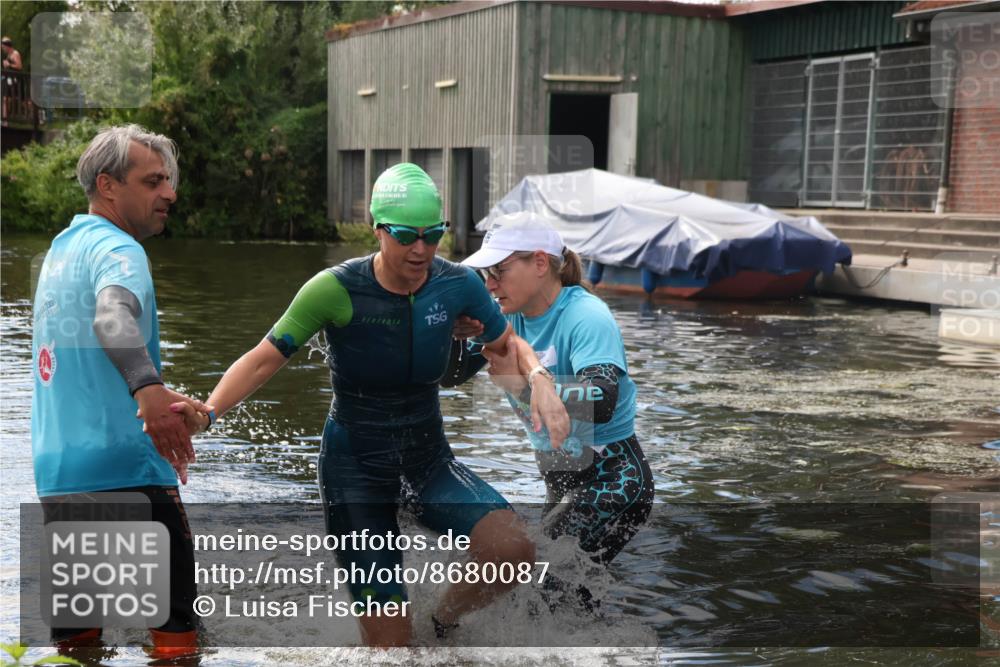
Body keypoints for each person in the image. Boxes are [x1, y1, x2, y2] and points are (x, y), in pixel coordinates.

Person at [174, 163, 570, 647]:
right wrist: (209, 412)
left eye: (434, 234)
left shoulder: (457, 285)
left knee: (512, 550)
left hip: (428, 461)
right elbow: (263, 358)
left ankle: (443, 623)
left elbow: (507, 342)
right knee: (391, 652)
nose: (422, 249)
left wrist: (540, 379)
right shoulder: (335, 289)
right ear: (378, 229)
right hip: (354, 471)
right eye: (406, 236)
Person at [31, 124, 209, 659]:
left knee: (77, 652)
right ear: (108, 186)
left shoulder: (62, 252)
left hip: (62, 479)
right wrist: (150, 389)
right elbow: (113, 319)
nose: (170, 193)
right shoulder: (120, 251)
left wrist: (162, 396)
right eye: (153, 181)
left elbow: (87, 360)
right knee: (176, 650)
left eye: (168, 181)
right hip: (131, 478)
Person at [447, 214, 654, 607]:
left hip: (614, 480)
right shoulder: (503, 317)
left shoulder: (585, 316)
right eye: (486, 273)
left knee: (537, 590)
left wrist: (522, 387)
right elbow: (450, 376)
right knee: (564, 601)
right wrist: (453, 331)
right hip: (560, 481)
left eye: (499, 271)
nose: (489, 284)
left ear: (540, 263)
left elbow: (603, 399)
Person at [2, 36, 23, 126]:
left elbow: (19, 66)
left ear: (8, 46)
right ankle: (4, 120)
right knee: (4, 99)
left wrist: (9, 64)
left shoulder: (15, 53)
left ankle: (6, 120)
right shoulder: (8, 55)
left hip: (15, 80)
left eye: (3, 47)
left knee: (9, 99)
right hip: (8, 79)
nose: (3, 49)